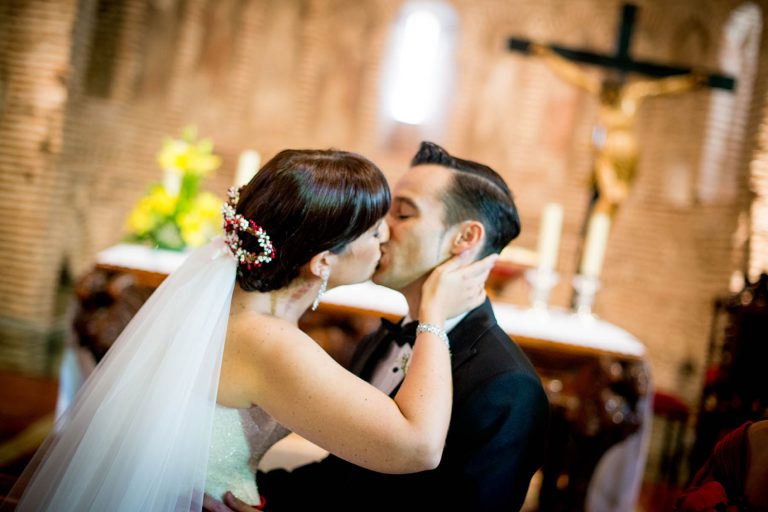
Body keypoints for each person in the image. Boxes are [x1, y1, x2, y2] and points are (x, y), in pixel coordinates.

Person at [2, 149, 496, 512]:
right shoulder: (269, 343)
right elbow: (417, 447)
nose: (387, 235)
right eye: (373, 232)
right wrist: (435, 311)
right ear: (323, 261)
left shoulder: (238, 313)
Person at [210, 141, 551, 512]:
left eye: (402, 215)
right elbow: (342, 479)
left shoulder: (507, 387)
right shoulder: (375, 342)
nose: (382, 231)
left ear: (465, 239)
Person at [530, 43, 706, 218]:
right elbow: (574, 75)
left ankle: (602, 225)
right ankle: (598, 226)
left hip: (625, 153)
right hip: (606, 153)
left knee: (616, 196)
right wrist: (548, 56)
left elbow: (663, 88)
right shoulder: (600, 90)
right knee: (608, 195)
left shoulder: (634, 93)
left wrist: (688, 82)